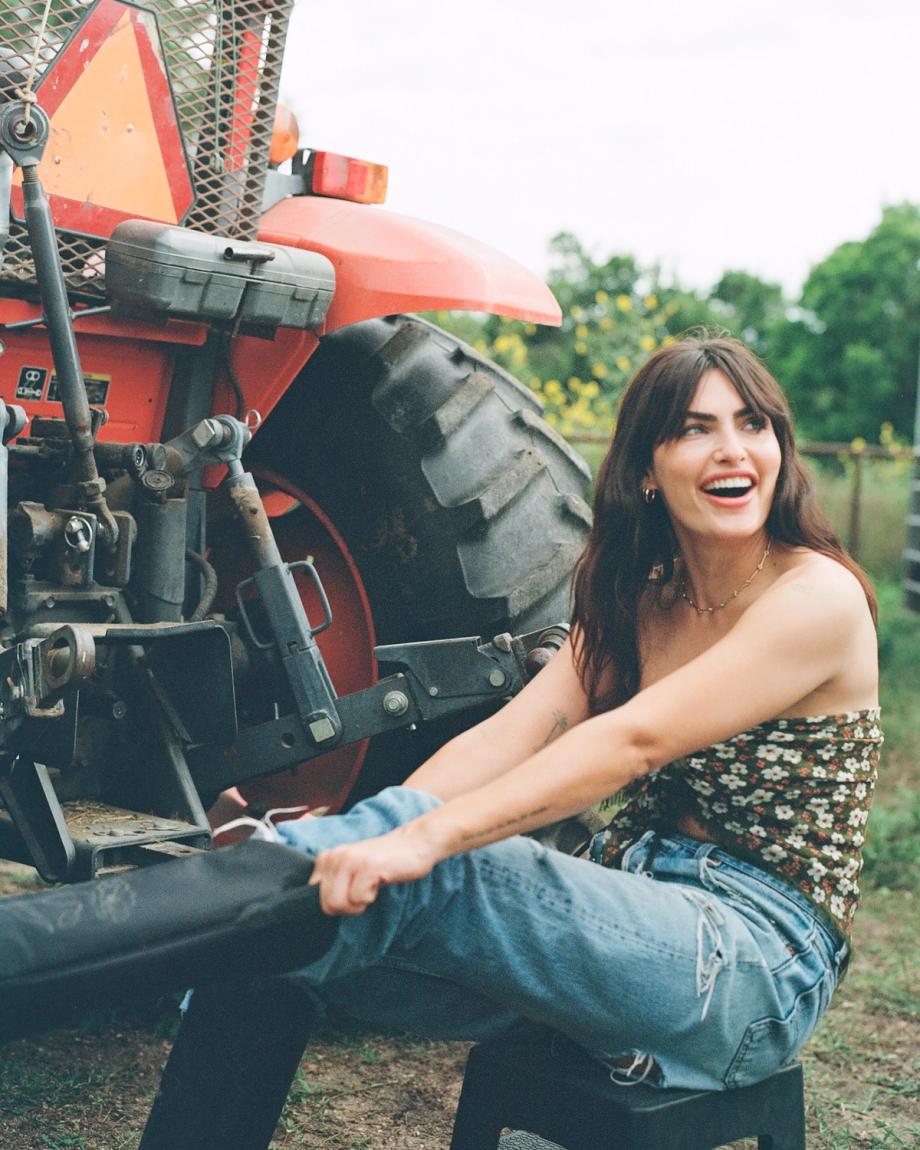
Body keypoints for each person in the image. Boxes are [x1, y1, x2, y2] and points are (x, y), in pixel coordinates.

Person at [140, 334, 880, 1148]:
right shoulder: (644, 595)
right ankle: (224, 909)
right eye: (695, 429)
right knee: (298, 919)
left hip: (756, 960)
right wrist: (384, 828)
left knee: (451, 871)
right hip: (642, 912)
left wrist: (426, 839)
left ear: (781, 447)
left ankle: (206, 896)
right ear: (646, 467)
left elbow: (631, 743)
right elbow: (514, 733)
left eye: (752, 424)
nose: (732, 450)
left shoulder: (817, 597)